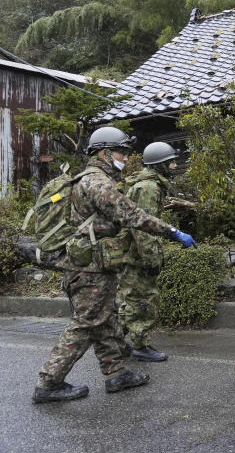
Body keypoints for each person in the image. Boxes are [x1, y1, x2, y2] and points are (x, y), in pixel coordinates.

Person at [33, 127, 197, 404]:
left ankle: (116, 374)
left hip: (97, 262)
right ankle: (49, 382)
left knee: (106, 319)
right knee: (86, 323)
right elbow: (130, 213)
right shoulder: (97, 182)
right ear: (105, 152)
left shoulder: (91, 179)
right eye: (122, 151)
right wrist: (171, 231)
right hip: (89, 267)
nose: (125, 157)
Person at [117, 142, 181, 362]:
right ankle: (139, 346)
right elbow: (143, 227)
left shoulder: (145, 184)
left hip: (130, 252)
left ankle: (115, 344)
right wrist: (152, 258)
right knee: (144, 300)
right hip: (137, 254)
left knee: (130, 299)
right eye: (170, 161)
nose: (174, 165)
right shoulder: (149, 188)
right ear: (160, 164)